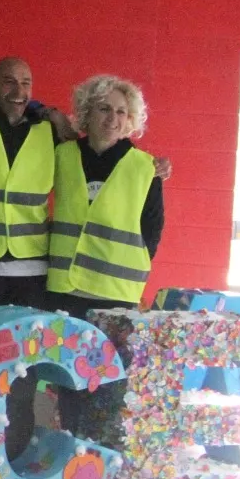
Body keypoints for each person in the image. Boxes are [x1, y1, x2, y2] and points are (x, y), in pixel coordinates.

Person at [47, 74, 164, 317]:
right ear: (87, 113)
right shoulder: (62, 155)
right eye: (104, 109)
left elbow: (152, 227)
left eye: (122, 112)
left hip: (116, 292)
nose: (113, 118)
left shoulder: (145, 167)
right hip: (65, 288)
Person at [0, 57, 60, 314]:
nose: (18, 92)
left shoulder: (52, 132)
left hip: (32, 266)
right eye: (9, 82)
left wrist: (152, 166)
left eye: (25, 83)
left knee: (28, 347)